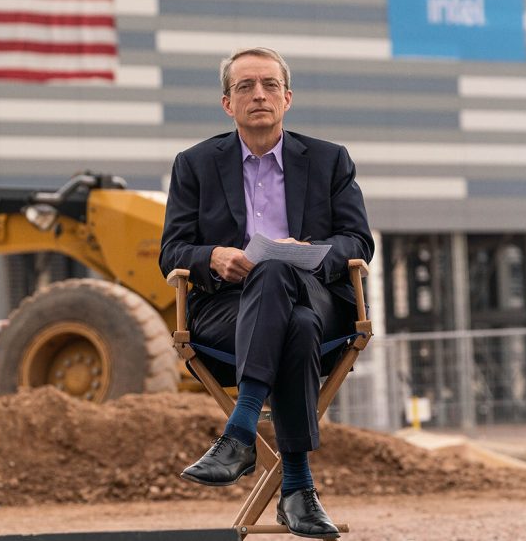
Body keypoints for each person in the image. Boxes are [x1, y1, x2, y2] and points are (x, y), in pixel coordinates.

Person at [159, 47, 373, 539]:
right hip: (225, 310)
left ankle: (240, 433)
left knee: (279, 274)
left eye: (270, 85)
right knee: (291, 324)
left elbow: (359, 241)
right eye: (245, 86)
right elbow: (172, 250)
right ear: (226, 103)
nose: (259, 94)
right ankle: (297, 489)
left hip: (317, 295)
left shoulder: (328, 159)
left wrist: (312, 250)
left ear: (288, 98)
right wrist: (211, 256)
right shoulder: (194, 165)